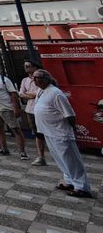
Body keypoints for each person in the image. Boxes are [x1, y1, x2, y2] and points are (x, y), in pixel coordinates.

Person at [32, 69, 93, 198]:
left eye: (37, 77)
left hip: (60, 132)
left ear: (46, 79)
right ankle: (69, 180)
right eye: (34, 77)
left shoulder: (56, 93)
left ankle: (82, 187)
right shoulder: (40, 91)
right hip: (48, 131)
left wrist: (72, 129)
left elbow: (69, 114)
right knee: (60, 159)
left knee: (71, 160)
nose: (34, 80)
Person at [0, 62, 27, 159]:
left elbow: (13, 94)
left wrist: (16, 108)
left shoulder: (4, 79)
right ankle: (4, 148)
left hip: (5, 108)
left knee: (15, 129)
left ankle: (22, 151)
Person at [19, 60, 47, 166]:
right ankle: (41, 156)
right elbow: (21, 93)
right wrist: (32, 95)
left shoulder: (42, 79)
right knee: (37, 132)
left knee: (45, 131)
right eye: (25, 66)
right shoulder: (25, 80)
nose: (26, 68)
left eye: (28, 66)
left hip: (42, 109)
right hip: (30, 109)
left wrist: (30, 94)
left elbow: (40, 92)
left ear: (35, 67)